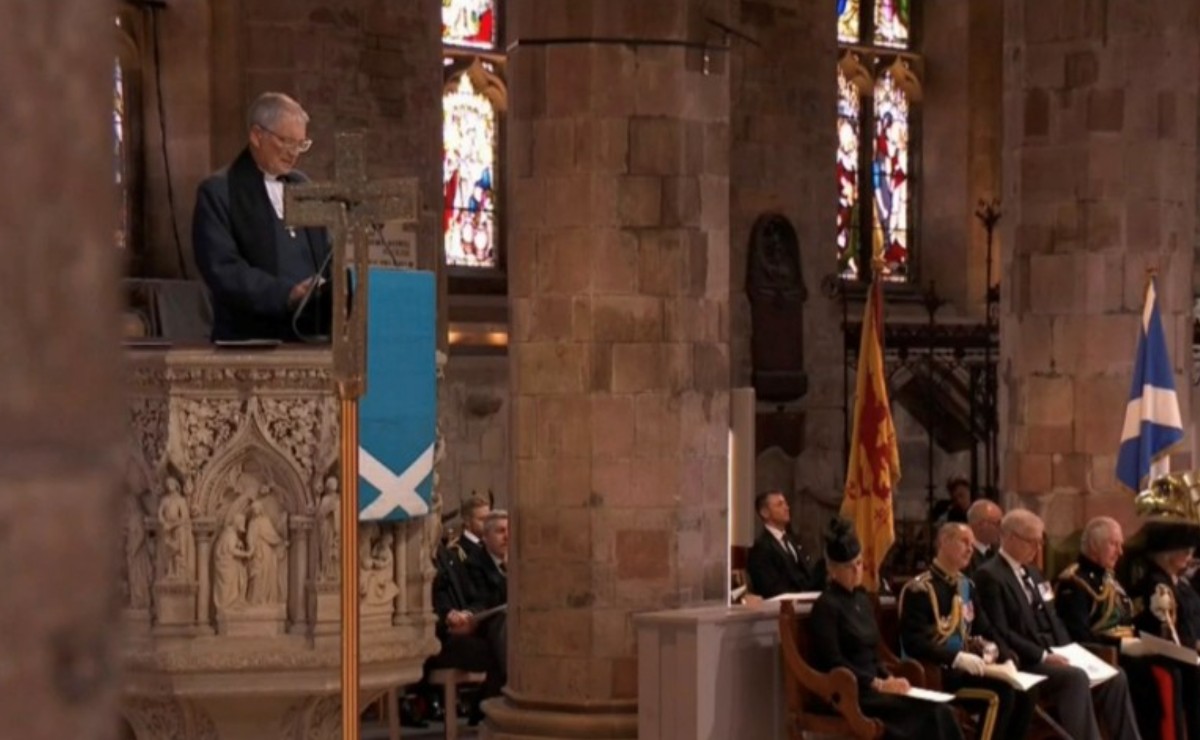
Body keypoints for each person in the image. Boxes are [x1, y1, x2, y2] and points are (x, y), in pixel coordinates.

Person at [974, 509, 1141, 740]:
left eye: (1040, 541)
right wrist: (1043, 655)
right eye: (1031, 541)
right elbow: (1001, 632)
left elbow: (1054, 619)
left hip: (1057, 649)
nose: (1037, 548)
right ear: (1009, 537)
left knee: (1115, 675)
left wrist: (1069, 649)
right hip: (1028, 659)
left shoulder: (1034, 573)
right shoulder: (990, 575)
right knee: (1074, 678)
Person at [808, 517, 965, 740]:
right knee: (928, 716)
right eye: (848, 567)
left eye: (859, 563)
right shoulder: (826, 606)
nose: (856, 571)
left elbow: (874, 652)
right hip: (851, 692)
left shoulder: (862, 599)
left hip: (876, 684)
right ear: (832, 570)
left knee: (943, 711)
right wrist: (877, 683)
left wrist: (889, 676)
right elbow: (834, 661)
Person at [193, 92, 331, 342]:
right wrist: (287, 294)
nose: (294, 153)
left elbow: (327, 254)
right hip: (251, 338)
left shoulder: (304, 187)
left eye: (301, 144)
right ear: (257, 136)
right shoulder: (219, 192)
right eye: (286, 141)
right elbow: (223, 269)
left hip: (311, 337)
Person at [900, 522, 1032, 740]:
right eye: (964, 542)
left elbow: (987, 628)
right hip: (939, 671)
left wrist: (1007, 658)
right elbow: (913, 642)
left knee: (1026, 691)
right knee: (1000, 694)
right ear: (943, 543)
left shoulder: (966, 586)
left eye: (972, 543)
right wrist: (957, 658)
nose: (971, 549)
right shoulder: (921, 589)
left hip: (968, 669)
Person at [1058, 517, 1183, 740]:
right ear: (1095, 546)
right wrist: (1123, 645)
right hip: (1104, 655)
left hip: (1125, 651)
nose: (1120, 552)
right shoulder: (1074, 582)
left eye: (1120, 544)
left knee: (1174, 667)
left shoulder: (1110, 578)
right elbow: (1079, 634)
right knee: (1144, 677)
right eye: (1113, 544)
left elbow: (1126, 618)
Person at [745, 490, 822, 598]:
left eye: (786, 503)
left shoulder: (793, 541)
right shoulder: (761, 548)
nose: (787, 508)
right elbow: (770, 588)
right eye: (780, 504)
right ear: (764, 512)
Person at [965, 500, 1002, 577]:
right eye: (997, 523)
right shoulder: (963, 554)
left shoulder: (1000, 551)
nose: (1001, 528)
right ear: (981, 525)